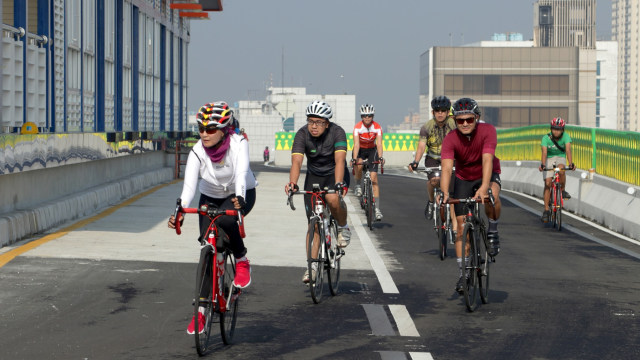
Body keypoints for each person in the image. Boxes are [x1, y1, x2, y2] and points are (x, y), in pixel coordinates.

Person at [168, 101, 257, 334]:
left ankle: (241, 259)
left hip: (241, 193)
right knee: (207, 246)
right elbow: (189, 186)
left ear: (224, 129)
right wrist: (180, 210)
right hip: (210, 196)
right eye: (201, 128)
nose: (204, 134)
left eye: (211, 129)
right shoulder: (197, 150)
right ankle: (201, 312)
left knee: (226, 220)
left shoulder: (238, 143)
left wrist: (239, 199)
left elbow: (240, 174)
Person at [440, 97, 502, 294]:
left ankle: (492, 229)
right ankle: (463, 273)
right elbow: (447, 169)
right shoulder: (450, 139)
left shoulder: (488, 131)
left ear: (476, 118)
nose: (465, 124)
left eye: (469, 119)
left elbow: (487, 160)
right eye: (460, 120)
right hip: (464, 179)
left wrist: (484, 187)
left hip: (487, 174)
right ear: (455, 121)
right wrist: (443, 193)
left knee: (491, 196)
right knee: (460, 230)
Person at [284, 100, 351, 284]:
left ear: (327, 123)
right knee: (313, 225)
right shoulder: (302, 134)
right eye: (311, 121)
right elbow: (297, 162)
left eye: (319, 122)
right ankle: (311, 266)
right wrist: (292, 183)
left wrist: (338, 184)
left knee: (331, 197)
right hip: (314, 176)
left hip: (335, 174)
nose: (314, 126)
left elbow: (339, 160)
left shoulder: (337, 132)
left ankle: (343, 227)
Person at [409, 96, 457, 226]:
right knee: (434, 180)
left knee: (452, 191)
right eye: (437, 110)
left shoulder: (454, 125)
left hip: (451, 159)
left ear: (448, 112)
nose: (440, 113)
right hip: (433, 159)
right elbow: (421, 146)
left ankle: (453, 220)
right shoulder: (427, 127)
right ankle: (431, 201)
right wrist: (415, 162)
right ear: (433, 112)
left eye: (443, 110)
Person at [539, 117, 575, 222]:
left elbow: (568, 150)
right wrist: (542, 164)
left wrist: (571, 163)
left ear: (562, 130)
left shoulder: (566, 137)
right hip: (549, 158)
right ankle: (546, 210)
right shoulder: (546, 138)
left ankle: (562, 190)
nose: (556, 131)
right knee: (548, 183)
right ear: (551, 128)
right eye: (554, 129)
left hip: (560, 157)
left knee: (561, 169)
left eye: (559, 129)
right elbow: (544, 152)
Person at [352, 103, 385, 221]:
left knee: (374, 178)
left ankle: (377, 209)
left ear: (373, 116)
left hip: (372, 150)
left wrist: (380, 157)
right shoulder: (357, 127)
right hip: (360, 150)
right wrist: (354, 158)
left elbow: (379, 144)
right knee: (359, 164)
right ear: (361, 117)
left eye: (369, 116)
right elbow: (356, 145)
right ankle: (357, 185)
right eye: (365, 116)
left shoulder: (377, 127)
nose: (367, 118)